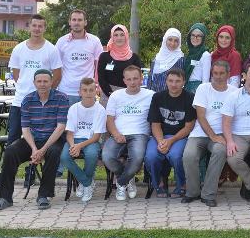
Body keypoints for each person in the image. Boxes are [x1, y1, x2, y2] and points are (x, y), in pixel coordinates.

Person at [0, 69, 69, 210]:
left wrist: (43, 149)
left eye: (45, 81)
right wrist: (34, 149)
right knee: (10, 151)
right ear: (34, 83)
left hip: (53, 139)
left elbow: (60, 127)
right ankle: (5, 197)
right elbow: (25, 129)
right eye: (39, 81)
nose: (42, 84)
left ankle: (44, 195)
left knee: (53, 152)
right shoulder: (27, 100)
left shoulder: (61, 98)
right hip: (33, 139)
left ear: (51, 82)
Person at [182, 61, 238, 206]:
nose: (218, 76)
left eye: (222, 73)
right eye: (215, 73)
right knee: (188, 156)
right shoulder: (203, 88)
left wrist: (225, 137)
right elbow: (201, 116)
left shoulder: (234, 92)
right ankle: (193, 192)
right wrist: (213, 136)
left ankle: (208, 194)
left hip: (222, 134)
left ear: (228, 74)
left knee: (219, 151)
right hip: (200, 133)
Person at [6, 14, 62, 145]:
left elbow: (57, 75)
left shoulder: (51, 49)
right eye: (34, 25)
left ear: (45, 28)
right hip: (20, 101)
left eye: (40, 26)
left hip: (42, 103)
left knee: (41, 140)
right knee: (13, 139)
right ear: (29, 27)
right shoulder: (18, 48)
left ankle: (35, 159)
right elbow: (16, 75)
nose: (37, 29)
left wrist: (44, 93)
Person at [102, 65, 155, 201]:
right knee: (107, 157)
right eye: (129, 79)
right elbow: (109, 120)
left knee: (137, 158)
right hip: (118, 133)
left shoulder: (150, 95)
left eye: (135, 78)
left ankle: (121, 183)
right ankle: (128, 178)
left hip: (140, 134)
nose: (132, 82)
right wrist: (116, 134)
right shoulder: (116, 95)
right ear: (124, 80)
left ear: (141, 79)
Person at [221, 62, 250, 202]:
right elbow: (226, 122)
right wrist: (230, 141)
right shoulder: (233, 96)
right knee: (233, 159)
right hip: (237, 135)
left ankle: (247, 183)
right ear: (244, 75)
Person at [145, 68, 195, 198]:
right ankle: (159, 183)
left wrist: (171, 141)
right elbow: (155, 124)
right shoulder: (158, 97)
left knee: (175, 156)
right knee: (151, 156)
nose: (174, 84)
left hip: (180, 136)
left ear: (184, 82)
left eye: (178, 81)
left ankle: (182, 184)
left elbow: (189, 127)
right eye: (171, 81)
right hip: (160, 135)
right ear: (166, 81)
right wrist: (161, 141)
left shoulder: (190, 98)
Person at [59, 77, 106, 203]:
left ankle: (84, 184)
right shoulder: (74, 108)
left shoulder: (100, 110)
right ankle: (87, 182)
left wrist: (79, 146)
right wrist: (73, 146)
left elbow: (96, 136)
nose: (88, 93)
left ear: (96, 91)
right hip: (74, 139)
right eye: (85, 90)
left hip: (91, 140)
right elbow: (69, 133)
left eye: (91, 90)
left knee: (91, 154)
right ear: (79, 92)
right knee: (64, 157)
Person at [55, 9, 103, 105]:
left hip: (88, 91)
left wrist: (99, 85)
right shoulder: (61, 41)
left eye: (80, 20)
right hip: (66, 91)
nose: (76, 23)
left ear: (85, 22)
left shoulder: (94, 41)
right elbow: (56, 66)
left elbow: (100, 65)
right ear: (70, 22)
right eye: (74, 20)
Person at [97, 24, 142, 106]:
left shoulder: (134, 58)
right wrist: (111, 94)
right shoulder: (104, 56)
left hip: (128, 96)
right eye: (116, 35)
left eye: (122, 35)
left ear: (126, 37)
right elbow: (101, 78)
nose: (119, 38)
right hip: (108, 95)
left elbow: (137, 78)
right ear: (112, 38)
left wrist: (126, 94)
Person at [148, 28, 185, 93]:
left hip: (170, 95)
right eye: (170, 39)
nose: (172, 43)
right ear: (165, 40)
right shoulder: (157, 58)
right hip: (154, 94)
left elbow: (180, 80)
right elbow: (150, 78)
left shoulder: (180, 59)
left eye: (176, 41)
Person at [184, 23, 211, 94]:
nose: (195, 38)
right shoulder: (190, 53)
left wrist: (203, 94)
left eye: (199, 36)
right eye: (193, 35)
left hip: (197, 89)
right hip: (186, 87)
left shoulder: (205, 55)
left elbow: (205, 80)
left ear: (203, 38)